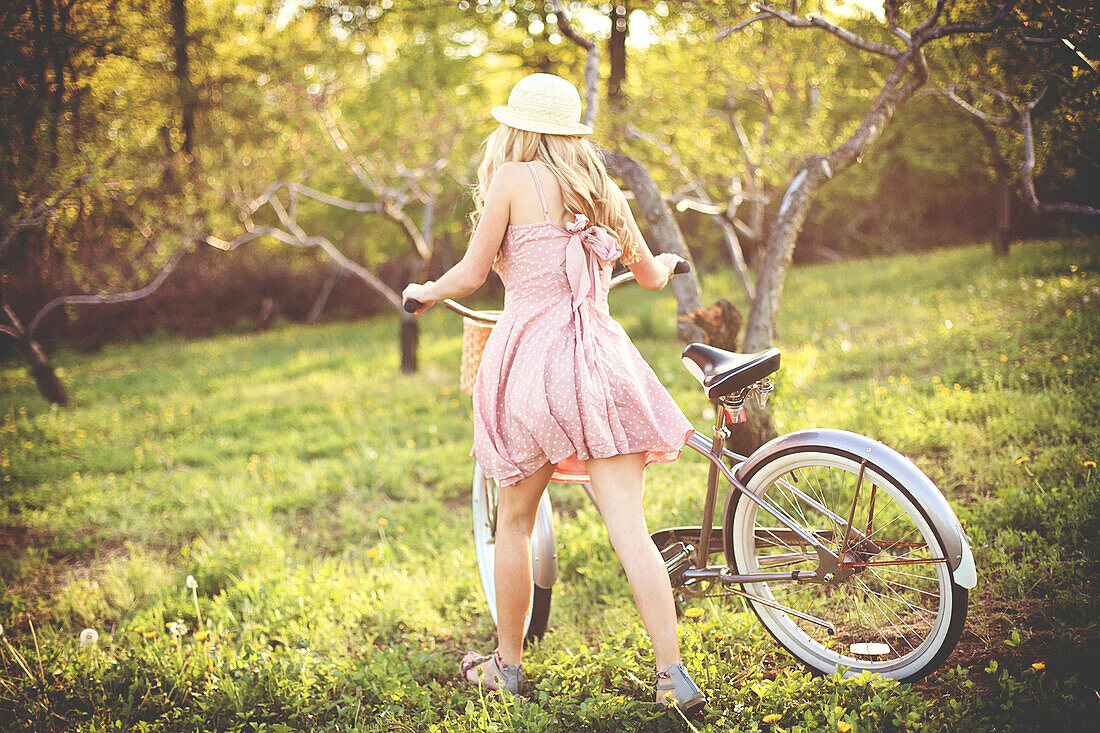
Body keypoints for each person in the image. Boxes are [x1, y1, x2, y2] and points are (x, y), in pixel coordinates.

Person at [402, 73, 706, 716]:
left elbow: (474, 273)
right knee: (632, 531)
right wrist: (670, 266)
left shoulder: (512, 181)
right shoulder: (605, 191)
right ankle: (672, 675)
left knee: (513, 523)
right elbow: (650, 277)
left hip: (535, 365)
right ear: (570, 131)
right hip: (602, 364)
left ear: (517, 127)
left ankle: (507, 668)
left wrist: (427, 291)